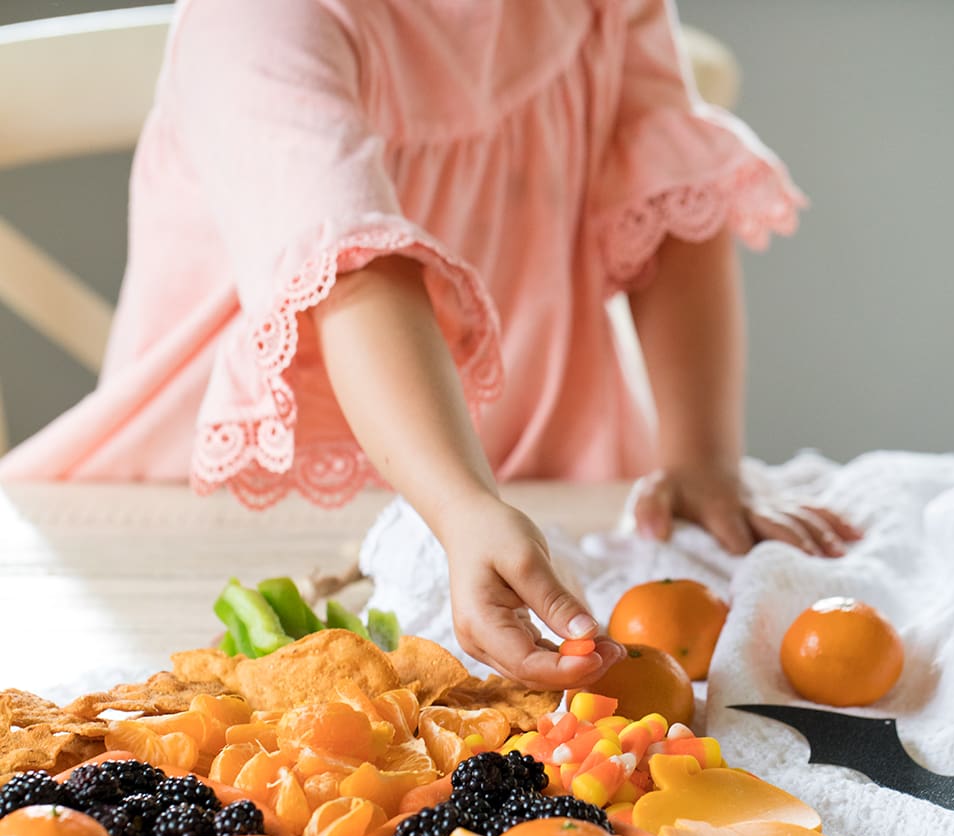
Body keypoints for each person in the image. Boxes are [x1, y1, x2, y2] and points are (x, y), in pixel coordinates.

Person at [0, 0, 858, 686]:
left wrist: (702, 454)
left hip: (535, 484)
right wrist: (457, 505)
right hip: (211, 518)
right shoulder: (257, 20)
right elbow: (356, 273)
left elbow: (674, 199)